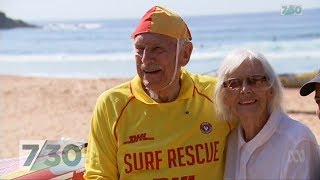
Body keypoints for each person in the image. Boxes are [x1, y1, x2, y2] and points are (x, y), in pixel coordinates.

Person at [84, 6, 233, 179]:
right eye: (140, 49)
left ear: (185, 54)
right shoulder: (112, 104)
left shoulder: (218, 95)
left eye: (157, 49)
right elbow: (99, 175)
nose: (146, 59)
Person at [214, 49, 320, 179]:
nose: (245, 90)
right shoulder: (228, 140)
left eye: (255, 80)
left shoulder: (297, 140)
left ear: (271, 89)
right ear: (225, 97)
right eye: (234, 83)